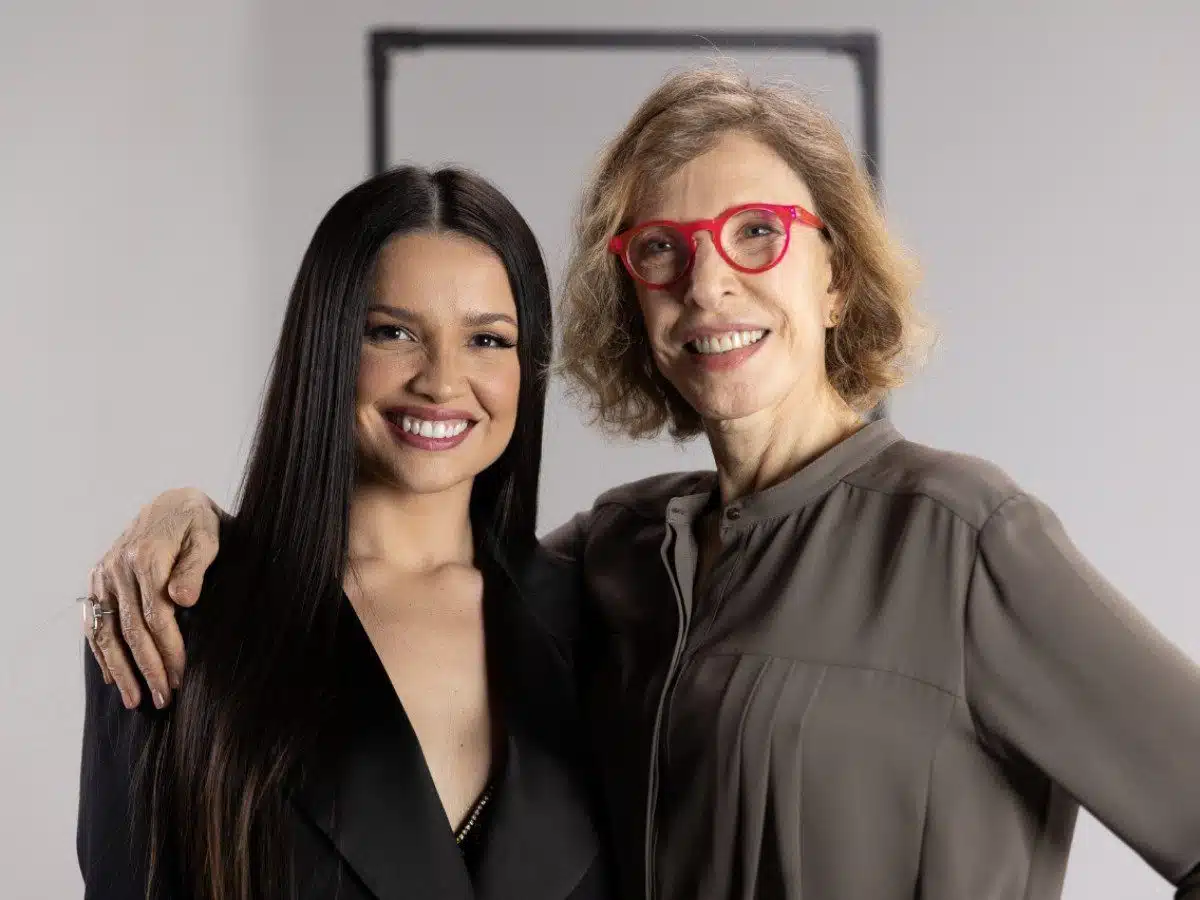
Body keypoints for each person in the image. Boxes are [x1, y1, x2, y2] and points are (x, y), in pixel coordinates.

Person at [82, 69, 1200, 900]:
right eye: (662, 249)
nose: (709, 285)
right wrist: (191, 522)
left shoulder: (964, 539)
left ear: (836, 277)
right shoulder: (619, 557)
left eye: (757, 233)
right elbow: (412, 553)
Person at [76, 165, 612, 899]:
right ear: (326, 344)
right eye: (392, 333)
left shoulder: (602, 624)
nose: (441, 381)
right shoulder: (178, 616)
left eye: (488, 340)